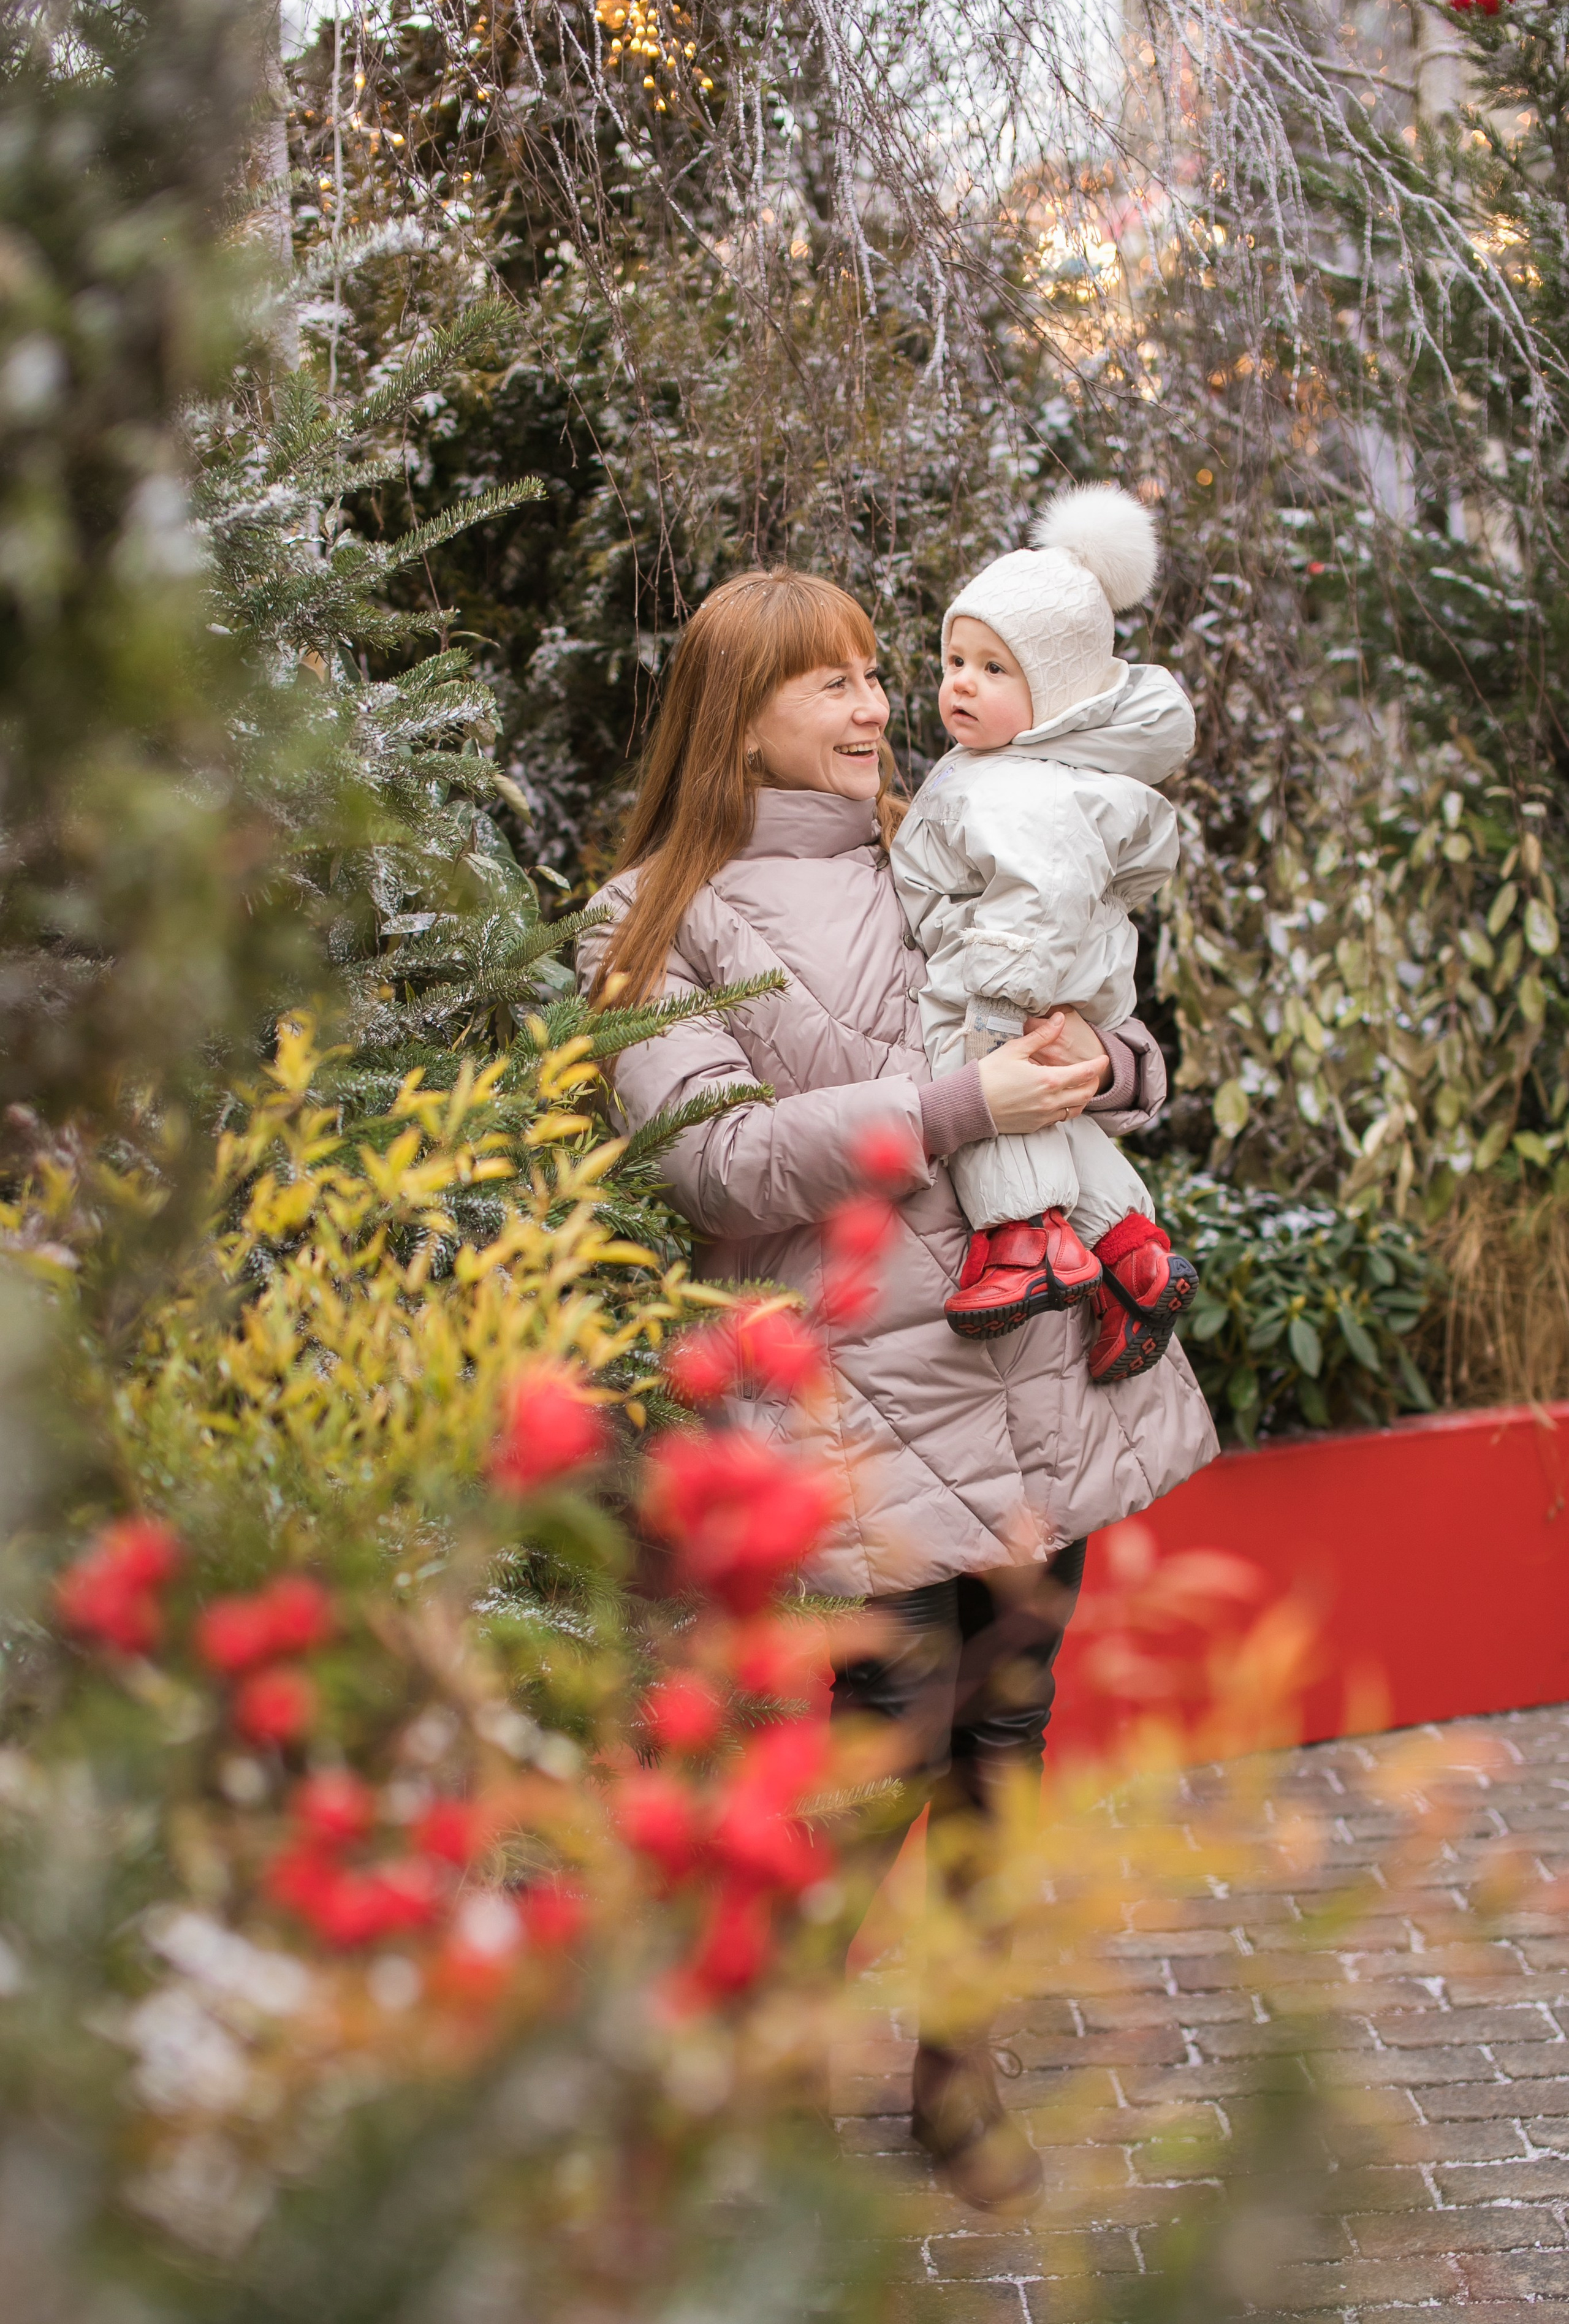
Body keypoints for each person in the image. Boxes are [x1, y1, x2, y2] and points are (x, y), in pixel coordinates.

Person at [577, 569, 1217, 2211]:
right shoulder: (657, 914)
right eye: (828, 687)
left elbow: (1087, 1016)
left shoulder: (946, 834)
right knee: (882, 1738)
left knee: (1008, 1730)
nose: (874, 709)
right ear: (740, 718)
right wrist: (956, 1098)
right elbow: (716, 1165)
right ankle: (758, 2043)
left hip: (1032, 1365)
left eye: (877, 674)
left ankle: (958, 2065)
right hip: (859, 1397)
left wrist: (1112, 1068)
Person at [892, 483, 1197, 1381]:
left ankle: (1023, 1243)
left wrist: (1001, 996)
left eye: (995, 670)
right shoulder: (1017, 767)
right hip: (1044, 977)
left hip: (1007, 978)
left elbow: (1042, 891)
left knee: (996, 1105)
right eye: (954, 659)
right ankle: (1134, 1250)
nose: (961, 684)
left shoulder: (1016, 786)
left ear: (1055, 696)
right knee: (1066, 1123)